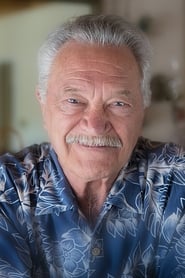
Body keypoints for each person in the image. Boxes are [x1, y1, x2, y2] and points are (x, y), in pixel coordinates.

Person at [0, 14, 185, 278]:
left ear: (142, 108)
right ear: (43, 103)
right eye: (74, 100)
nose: (95, 125)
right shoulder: (6, 190)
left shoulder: (176, 182)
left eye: (118, 104)